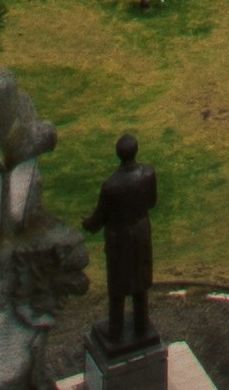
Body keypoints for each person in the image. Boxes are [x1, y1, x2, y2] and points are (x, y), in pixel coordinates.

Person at [88, 135, 159, 348]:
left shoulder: (111, 186)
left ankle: (115, 329)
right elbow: (152, 202)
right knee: (140, 279)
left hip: (120, 238)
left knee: (118, 283)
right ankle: (141, 324)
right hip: (140, 232)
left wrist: (88, 224)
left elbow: (99, 218)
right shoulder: (148, 174)